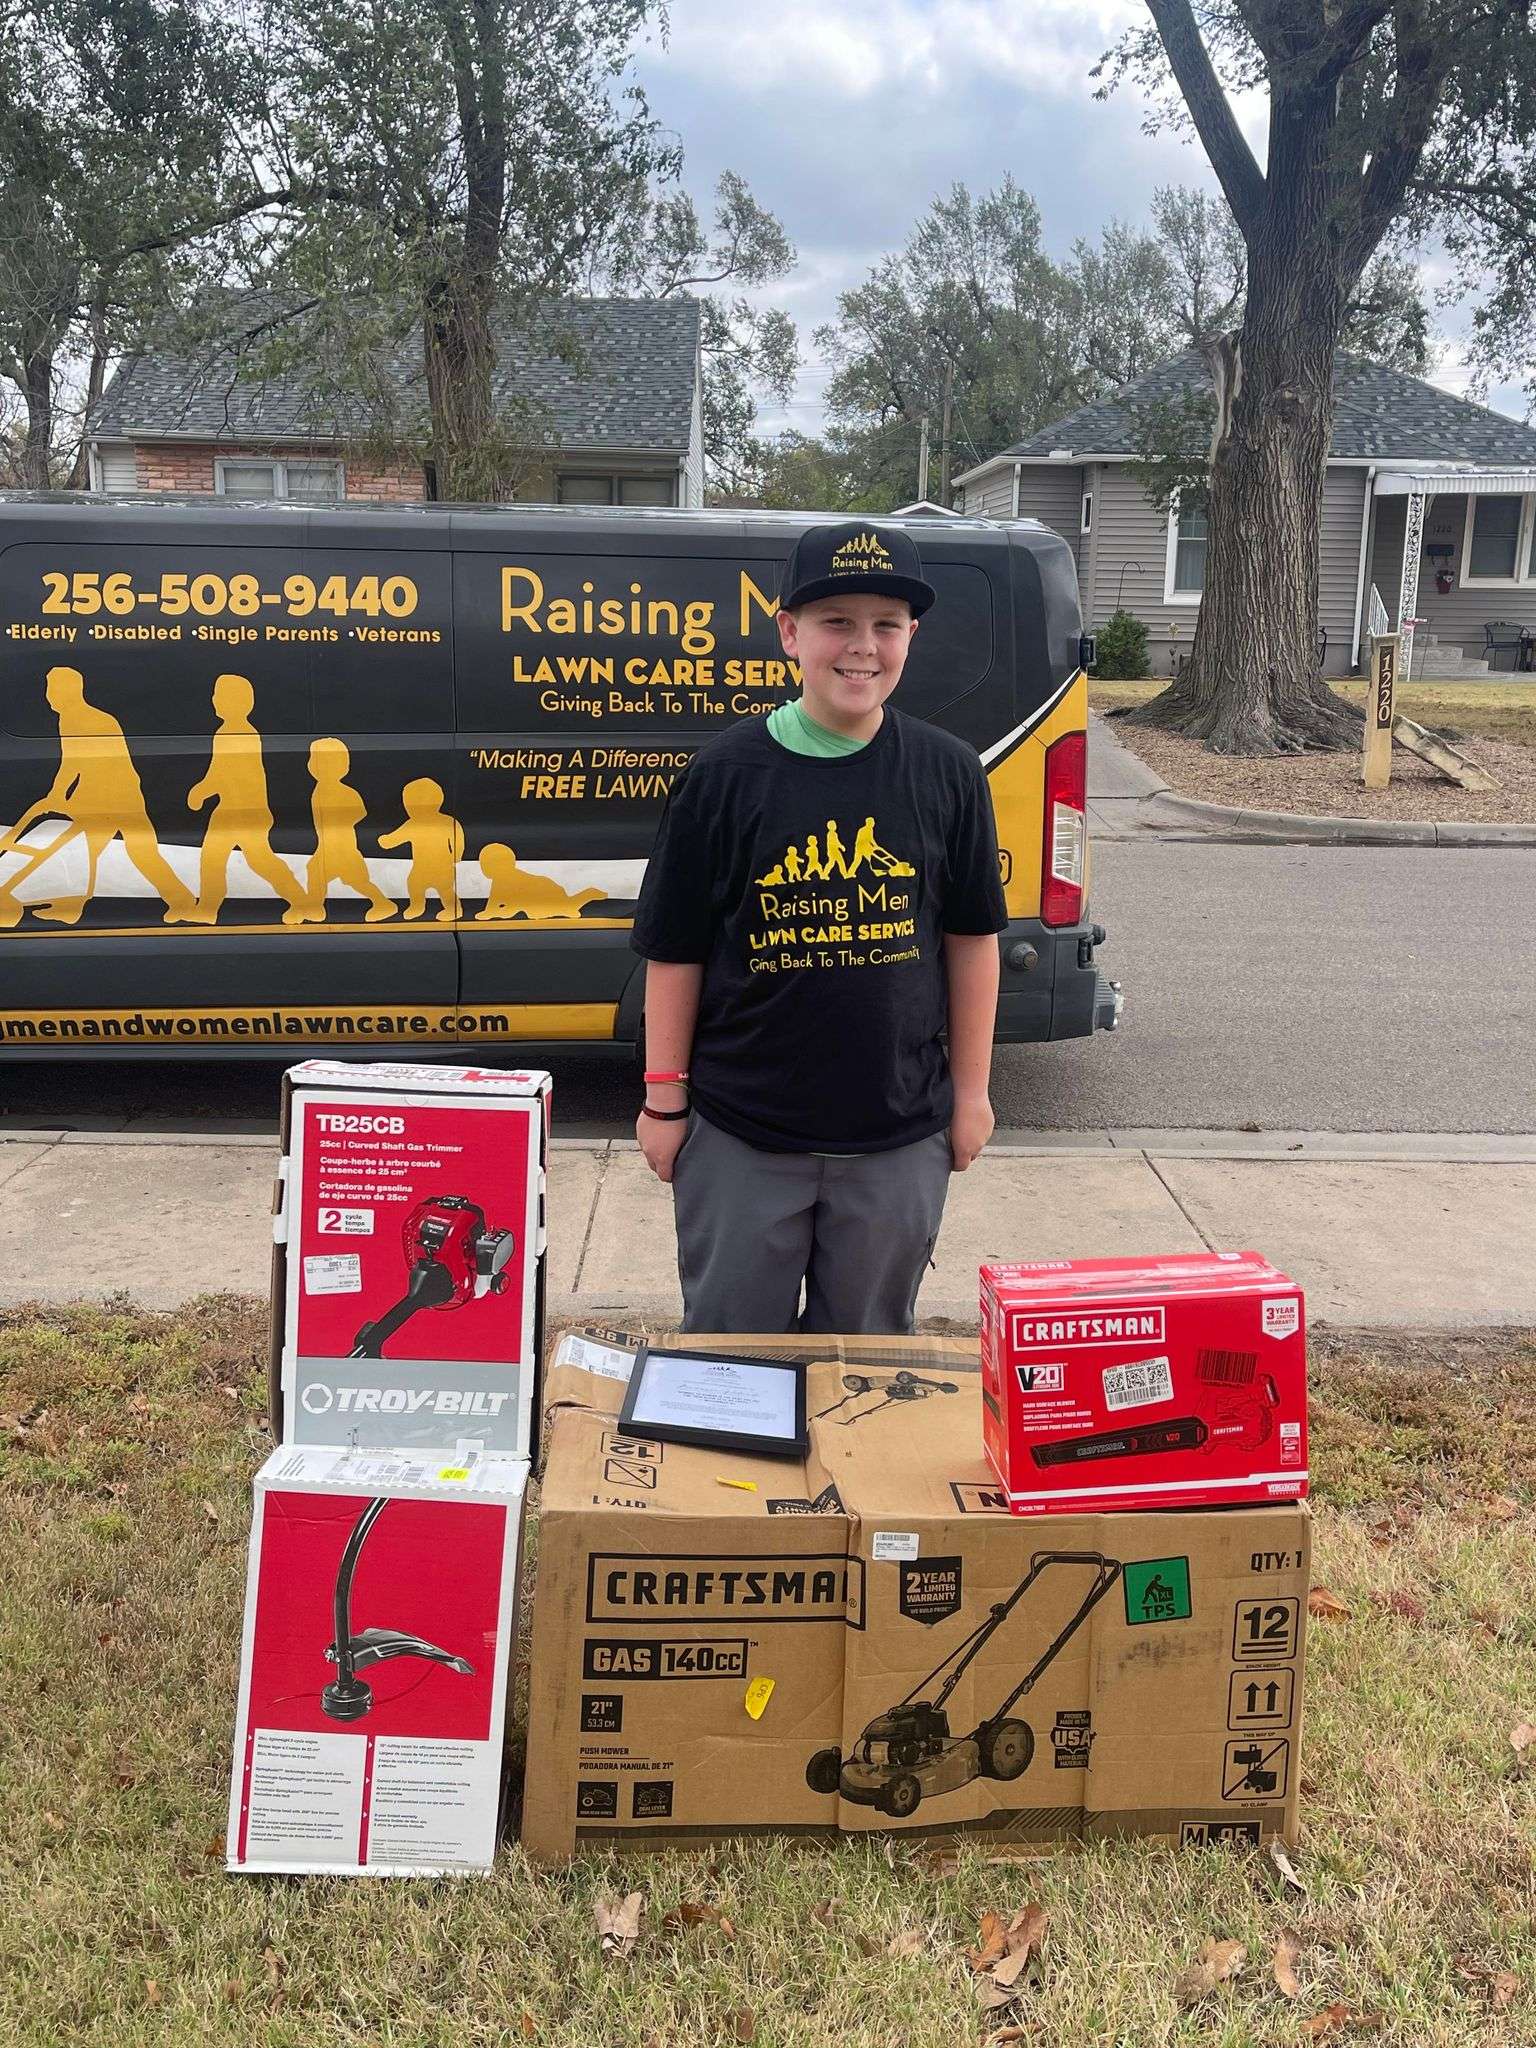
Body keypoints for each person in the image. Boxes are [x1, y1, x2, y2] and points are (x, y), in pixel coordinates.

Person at [632, 519, 1006, 1335]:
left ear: (913, 634)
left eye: (887, 623)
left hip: (898, 1136)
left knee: (865, 1368)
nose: (862, 646)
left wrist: (972, 1095)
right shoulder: (724, 774)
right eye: (837, 620)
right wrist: (665, 1106)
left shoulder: (948, 772)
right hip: (740, 1136)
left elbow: (972, 941)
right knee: (734, 1361)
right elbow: (675, 949)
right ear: (790, 633)